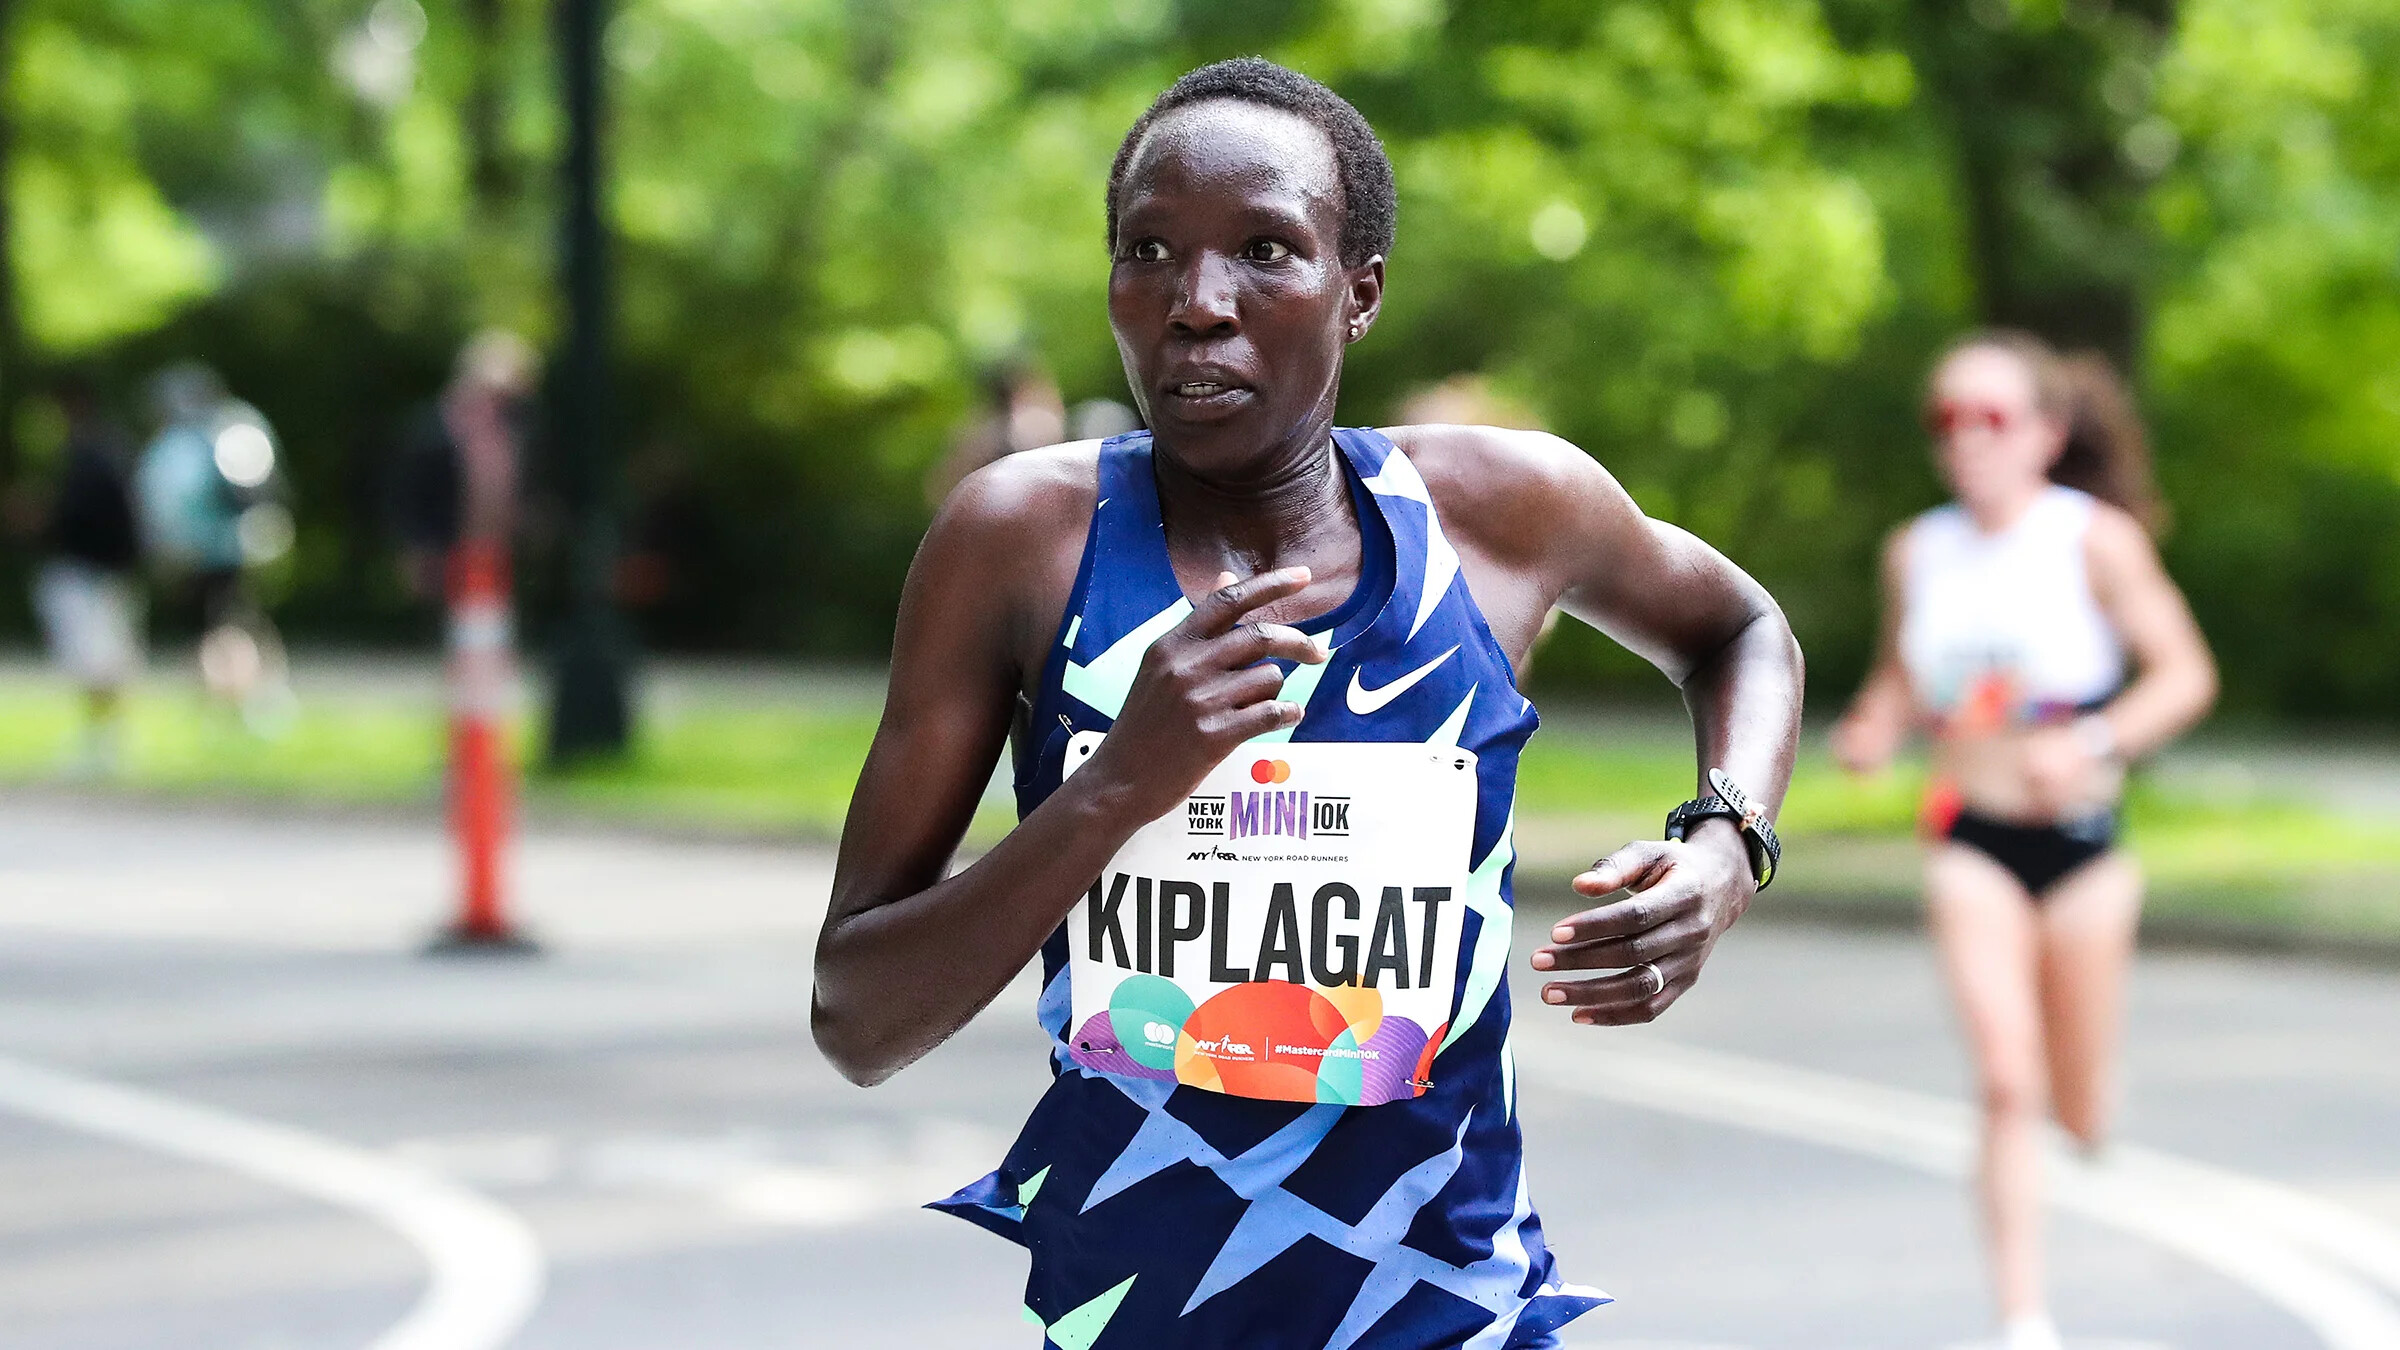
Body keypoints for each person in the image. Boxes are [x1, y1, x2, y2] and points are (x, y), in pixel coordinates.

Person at [814, 58, 1802, 1349]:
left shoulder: (1497, 514)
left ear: (1361, 292)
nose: (1197, 303)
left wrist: (1726, 844)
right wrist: (1115, 789)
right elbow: (859, 1016)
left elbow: (1741, 630)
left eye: (1265, 250)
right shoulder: (1022, 541)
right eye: (1149, 250)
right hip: (1136, 1319)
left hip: (1450, 1308)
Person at [1831, 332, 2217, 1350]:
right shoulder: (1916, 550)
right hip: (1971, 838)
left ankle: (2088, 1112)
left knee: (2077, 1109)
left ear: (2046, 433)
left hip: (2085, 846)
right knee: (2008, 1081)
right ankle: (2023, 1320)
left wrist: (2091, 741)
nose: (1966, 438)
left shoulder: (2094, 541)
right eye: (1946, 419)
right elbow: (1900, 676)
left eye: (1992, 417)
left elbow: (2186, 674)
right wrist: (1873, 726)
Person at [30, 375, 145, 775]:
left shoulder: (93, 454)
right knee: (102, 660)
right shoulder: (107, 448)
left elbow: (85, 516)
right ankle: (103, 743)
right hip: (105, 571)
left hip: (91, 573)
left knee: (99, 661)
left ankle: (104, 746)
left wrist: (43, 519)